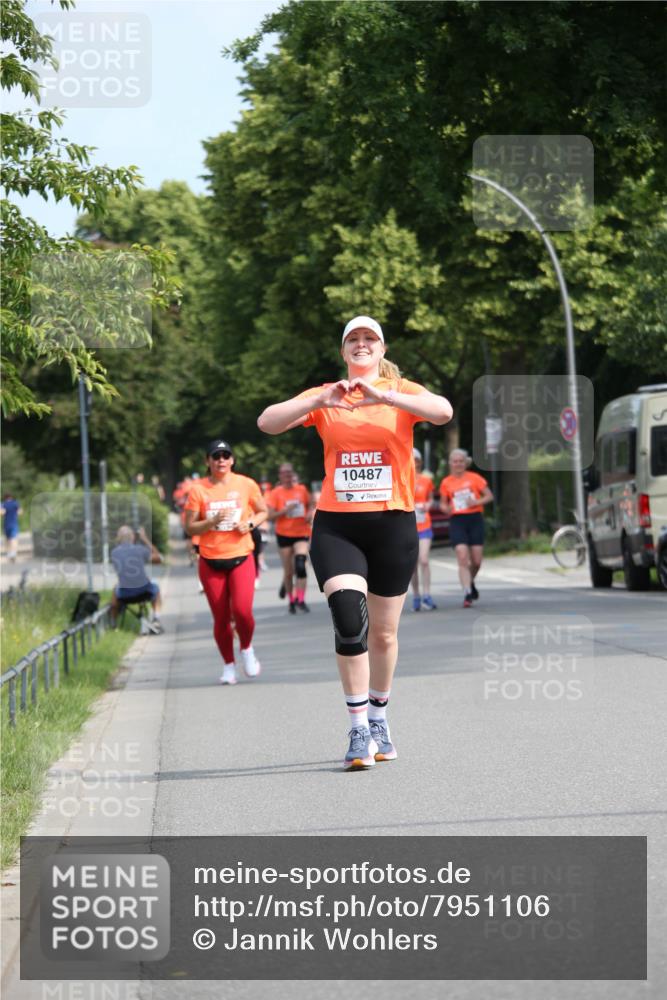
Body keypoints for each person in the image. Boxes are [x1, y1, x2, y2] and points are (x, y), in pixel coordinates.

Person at [258, 315, 452, 769]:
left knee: (384, 632)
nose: (362, 345)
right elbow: (267, 422)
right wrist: (323, 399)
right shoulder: (327, 395)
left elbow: (443, 412)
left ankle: (380, 717)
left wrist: (386, 394)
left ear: (382, 349)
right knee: (350, 623)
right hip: (338, 526)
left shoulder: (402, 392)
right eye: (353, 340)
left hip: (393, 525)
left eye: (370, 339)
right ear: (343, 351)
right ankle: (359, 727)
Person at [184, 439, 268, 685]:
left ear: (232, 460)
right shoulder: (198, 489)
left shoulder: (246, 484)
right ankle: (228, 665)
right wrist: (210, 522)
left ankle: (247, 648)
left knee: (242, 612)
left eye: (225, 455)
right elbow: (189, 527)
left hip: (241, 555)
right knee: (221, 618)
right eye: (216, 456)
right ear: (208, 461)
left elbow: (263, 511)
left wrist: (249, 524)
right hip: (211, 559)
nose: (221, 460)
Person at [438, 448, 493, 608]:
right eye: (455, 461)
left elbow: (489, 496)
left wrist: (476, 502)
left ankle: (471, 581)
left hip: (475, 519)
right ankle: (467, 592)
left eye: (461, 461)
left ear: (465, 462)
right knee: (462, 556)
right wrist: (445, 508)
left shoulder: (475, 478)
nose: (458, 464)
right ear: (450, 464)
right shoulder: (446, 482)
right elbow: (443, 503)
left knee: (476, 561)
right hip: (457, 520)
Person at [266, 463, 313, 613]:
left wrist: (309, 514)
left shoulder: (302, 489)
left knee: (300, 565)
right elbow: (270, 516)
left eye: (289, 472)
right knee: (288, 571)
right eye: (284, 473)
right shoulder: (275, 493)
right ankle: (291, 601)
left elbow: (311, 505)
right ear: (280, 476)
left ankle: (301, 599)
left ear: (293, 474)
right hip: (284, 534)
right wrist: (284, 511)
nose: (287, 476)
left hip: (301, 533)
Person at [110, 525, 163, 633]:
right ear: (133, 537)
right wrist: (145, 539)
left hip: (124, 594)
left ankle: (113, 624)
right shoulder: (140, 549)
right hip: (144, 591)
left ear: (118, 539)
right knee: (155, 587)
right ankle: (156, 618)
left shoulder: (114, 553)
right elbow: (159, 559)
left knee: (115, 589)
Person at [410, 448, 437, 611]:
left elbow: (431, 499)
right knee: (412, 565)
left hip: (424, 524)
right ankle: (416, 595)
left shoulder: (426, 480)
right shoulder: (399, 478)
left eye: (414, 459)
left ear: (419, 462)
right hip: (407, 527)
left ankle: (427, 595)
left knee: (424, 560)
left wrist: (428, 504)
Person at [1, 493, 22, 562]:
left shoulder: (3, 504)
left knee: (7, 539)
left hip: (6, 524)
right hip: (14, 523)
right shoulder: (15, 503)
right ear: (11, 497)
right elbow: (20, 512)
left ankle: (9, 553)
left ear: (5, 498)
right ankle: (13, 553)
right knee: (14, 539)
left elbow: (2, 513)